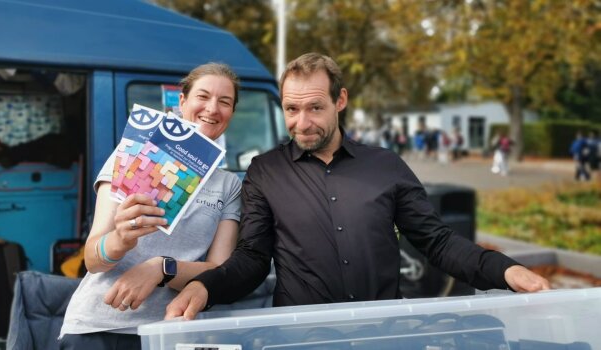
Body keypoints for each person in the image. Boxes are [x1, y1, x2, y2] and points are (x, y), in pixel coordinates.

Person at [165, 53, 550, 320]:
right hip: (302, 336)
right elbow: (251, 261)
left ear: (340, 100)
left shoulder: (386, 166)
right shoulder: (265, 172)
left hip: (383, 332)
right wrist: (206, 287)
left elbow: (438, 241)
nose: (302, 123)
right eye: (291, 109)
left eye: (315, 107)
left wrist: (506, 271)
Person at [59, 63, 243, 349]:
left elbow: (219, 270)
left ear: (232, 113)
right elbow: (93, 260)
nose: (212, 108)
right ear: (183, 101)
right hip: (99, 327)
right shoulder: (132, 154)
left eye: (225, 102)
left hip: (170, 331)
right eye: (203, 96)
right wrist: (119, 240)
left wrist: (162, 268)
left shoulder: (229, 185)